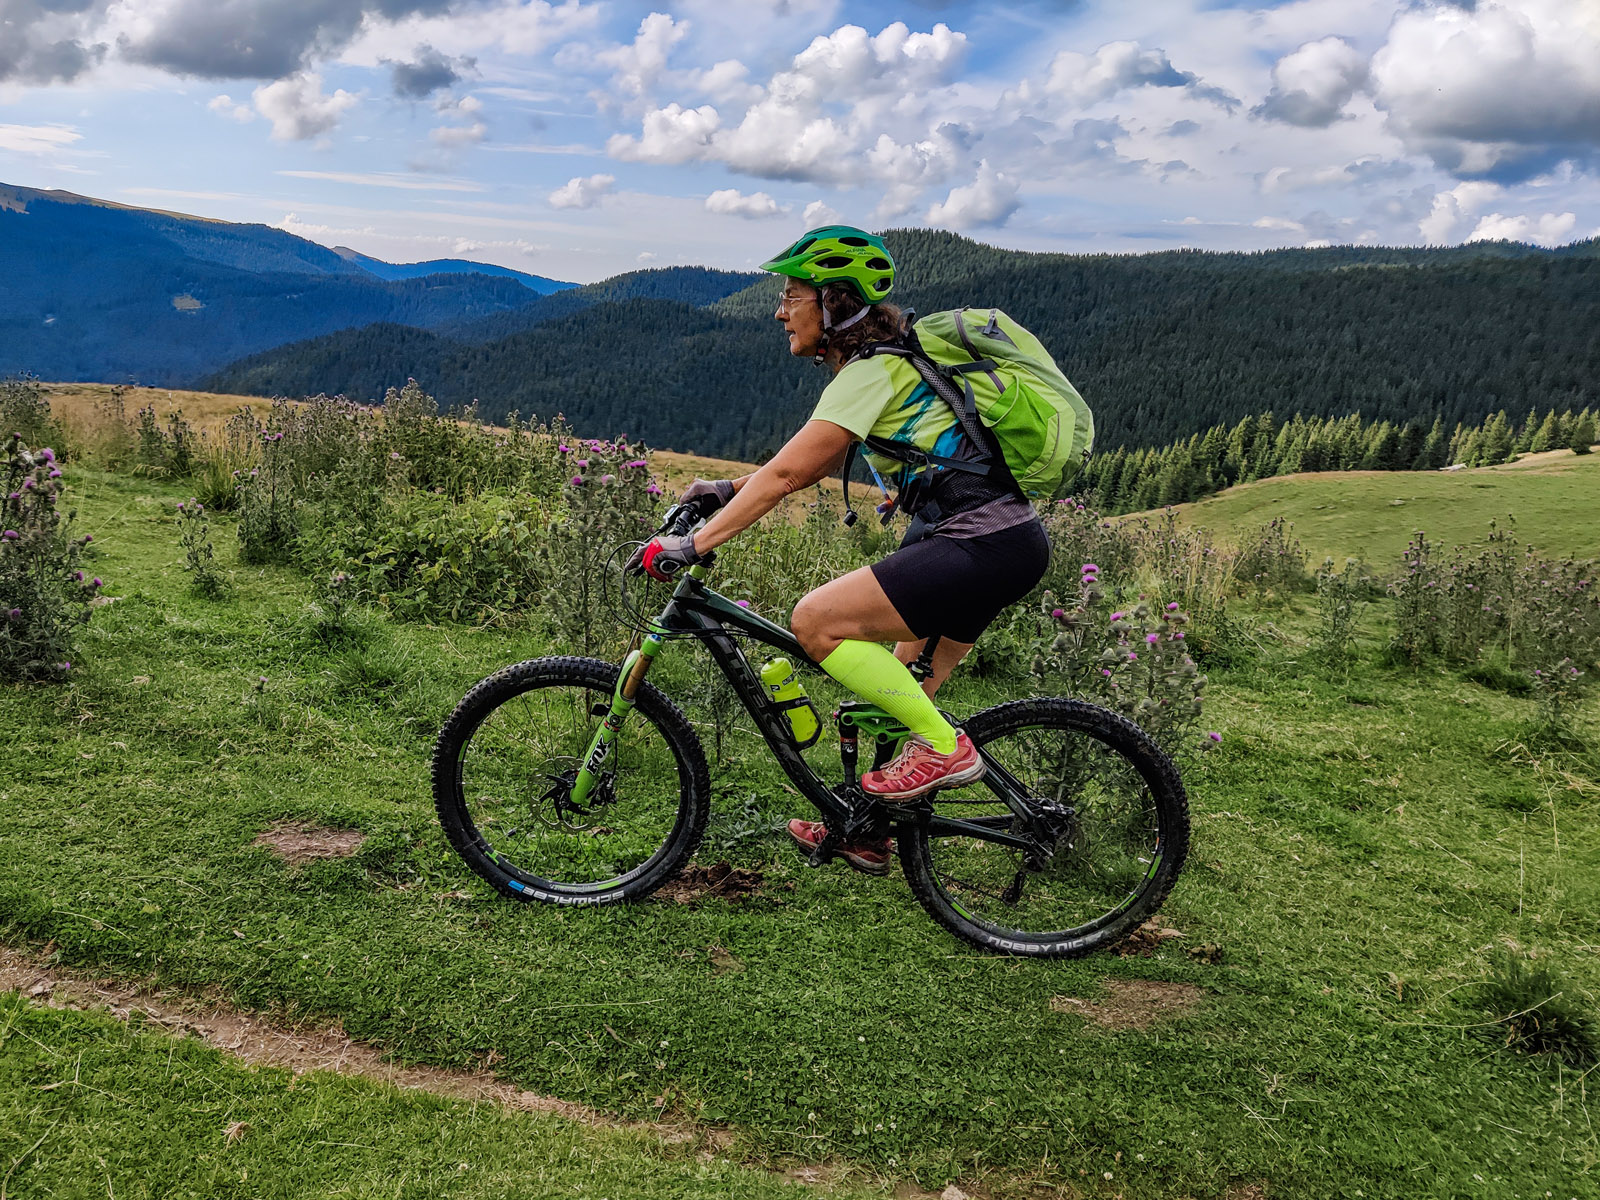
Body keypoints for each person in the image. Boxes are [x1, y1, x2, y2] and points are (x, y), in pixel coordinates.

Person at [631, 225, 1051, 875]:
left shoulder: (872, 371)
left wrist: (692, 544)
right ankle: (868, 831)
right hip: (994, 538)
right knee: (897, 697)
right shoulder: (885, 365)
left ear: (833, 301)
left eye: (791, 296)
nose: (780, 311)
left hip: (979, 543)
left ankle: (947, 751)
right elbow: (813, 460)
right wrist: (724, 489)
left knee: (816, 621)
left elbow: (787, 476)